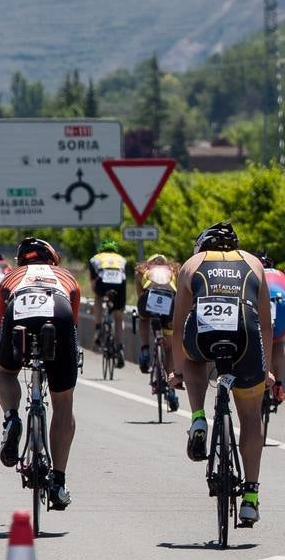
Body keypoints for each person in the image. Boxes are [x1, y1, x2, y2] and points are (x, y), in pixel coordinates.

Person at [173, 222, 273, 527]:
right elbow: (267, 325)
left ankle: (199, 416)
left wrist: (177, 370)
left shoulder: (192, 264)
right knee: (252, 418)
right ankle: (251, 499)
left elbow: (178, 327)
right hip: (246, 335)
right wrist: (265, 369)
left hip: (204, 335)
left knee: (192, 360)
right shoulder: (254, 262)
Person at [0, 237, 82, 510]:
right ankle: (58, 480)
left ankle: (11, 418)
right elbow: (73, 323)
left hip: (18, 307)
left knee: (6, 372)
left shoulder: (11, 276)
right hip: (59, 308)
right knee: (63, 402)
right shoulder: (66, 276)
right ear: (53, 260)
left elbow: (0, 321)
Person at [135, 253, 180, 412]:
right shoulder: (174, 271)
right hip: (170, 302)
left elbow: (140, 295)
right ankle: (172, 388)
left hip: (150, 298)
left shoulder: (142, 271)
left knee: (143, 318)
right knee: (169, 349)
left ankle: (145, 350)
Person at [88, 239, 128, 367]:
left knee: (98, 298)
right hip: (120, 286)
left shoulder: (95, 258)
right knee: (118, 316)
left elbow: (93, 282)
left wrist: (98, 294)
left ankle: (99, 327)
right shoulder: (122, 259)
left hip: (102, 283)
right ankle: (120, 347)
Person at [258, 250, 285, 405]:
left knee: (255, 340)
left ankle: (256, 379)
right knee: (278, 342)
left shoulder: (250, 270)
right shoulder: (280, 273)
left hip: (260, 302)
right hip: (280, 303)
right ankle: (278, 384)